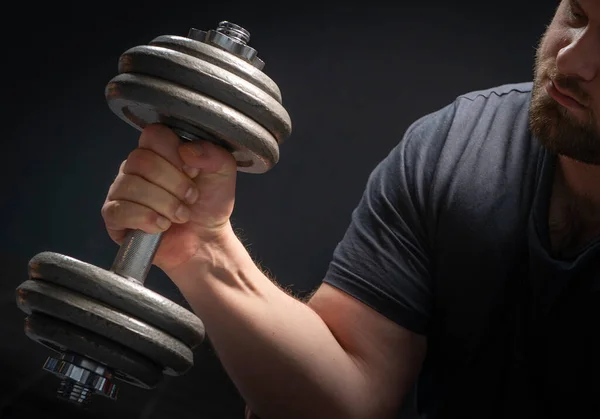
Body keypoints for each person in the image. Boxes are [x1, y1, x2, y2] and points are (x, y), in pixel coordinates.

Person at [100, 1, 599, 418]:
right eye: (576, 14)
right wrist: (204, 248)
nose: (574, 62)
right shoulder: (458, 146)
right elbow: (346, 397)